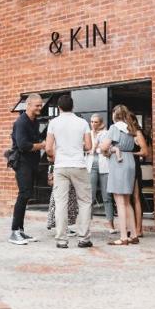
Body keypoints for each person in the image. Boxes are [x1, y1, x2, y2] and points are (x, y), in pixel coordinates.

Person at [45, 95, 93, 249]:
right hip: (78, 165)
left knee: (61, 203)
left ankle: (61, 240)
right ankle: (84, 238)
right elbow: (89, 146)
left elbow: (47, 148)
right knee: (84, 202)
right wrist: (78, 147)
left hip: (61, 166)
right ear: (73, 106)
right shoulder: (82, 122)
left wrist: (56, 156)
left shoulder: (53, 123)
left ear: (59, 107)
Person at [100, 105, 144, 246]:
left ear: (114, 114)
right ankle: (134, 235)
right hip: (130, 161)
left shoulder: (114, 128)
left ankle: (124, 237)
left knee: (119, 201)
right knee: (127, 201)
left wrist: (108, 147)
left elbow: (104, 147)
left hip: (119, 163)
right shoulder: (131, 128)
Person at [8, 93, 46, 245]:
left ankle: (21, 231)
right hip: (22, 163)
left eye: (41, 105)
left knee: (27, 194)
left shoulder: (34, 121)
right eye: (37, 105)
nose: (40, 107)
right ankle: (14, 232)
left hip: (32, 163)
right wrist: (42, 145)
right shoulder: (21, 122)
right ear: (28, 105)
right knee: (23, 194)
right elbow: (23, 145)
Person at [87, 114, 116, 234]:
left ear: (101, 123)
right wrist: (96, 146)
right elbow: (87, 148)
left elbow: (106, 149)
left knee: (107, 197)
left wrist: (97, 148)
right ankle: (87, 225)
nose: (93, 124)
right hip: (91, 165)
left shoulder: (107, 133)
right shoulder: (88, 133)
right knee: (90, 197)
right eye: (92, 122)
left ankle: (111, 225)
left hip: (104, 166)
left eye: (96, 122)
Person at [46, 164, 79, 233]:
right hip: (62, 170)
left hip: (64, 170)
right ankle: (62, 228)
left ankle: (62, 227)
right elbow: (50, 156)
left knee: (66, 203)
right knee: (62, 203)